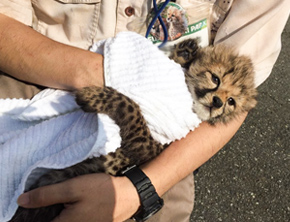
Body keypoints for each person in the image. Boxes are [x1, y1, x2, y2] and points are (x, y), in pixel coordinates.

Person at [0, 0, 289, 221]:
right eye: (215, 82)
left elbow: (241, 96)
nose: (217, 99)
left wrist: (140, 189)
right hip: (36, 79)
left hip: (166, 139)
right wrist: (120, 77)